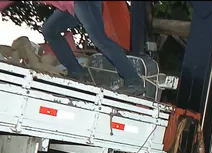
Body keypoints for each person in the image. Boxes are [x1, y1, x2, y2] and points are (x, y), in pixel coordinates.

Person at [0, 1, 145, 96]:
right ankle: (76, 72)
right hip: (71, 7)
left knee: (101, 41)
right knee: (50, 31)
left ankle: (134, 81)